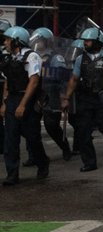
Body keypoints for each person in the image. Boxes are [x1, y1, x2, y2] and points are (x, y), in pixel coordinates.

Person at [62, 26, 103, 172]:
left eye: (88, 41)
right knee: (83, 131)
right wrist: (66, 97)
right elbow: (74, 79)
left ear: (97, 42)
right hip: (84, 99)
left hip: (102, 99)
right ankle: (89, 162)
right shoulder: (80, 59)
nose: (85, 43)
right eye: (84, 41)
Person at [2, 27, 49, 185]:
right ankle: (12, 174)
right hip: (13, 99)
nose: (5, 42)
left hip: (26, 99)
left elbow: (34, 81)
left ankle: (42, 163)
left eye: (8, 39)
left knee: (32, 137)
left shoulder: (32, 56)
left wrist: (22, 105)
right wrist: (5, 101)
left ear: (17, 41)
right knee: (10, 139)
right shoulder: (11, 58)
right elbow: (8, 80)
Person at [30, 28, 72, 161]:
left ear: (46, 41)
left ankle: (65, 147)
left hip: (52, 95)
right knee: (31, 126)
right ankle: (34, 156)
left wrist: (64, 97)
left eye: (39, 40)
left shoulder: (55, 58)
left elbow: (64, 80)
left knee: (51, 125)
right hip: (35, 94)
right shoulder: (32, 56)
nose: (37, 42)